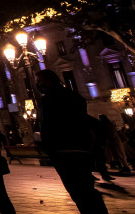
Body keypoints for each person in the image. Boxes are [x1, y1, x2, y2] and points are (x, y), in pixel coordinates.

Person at [36, 69, 109, 213]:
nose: (38, 84)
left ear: (49, 81)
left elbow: (48, 125)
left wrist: (46, 144)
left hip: (62, 151)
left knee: (77, 191)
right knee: (87, 189)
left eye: (40, 81)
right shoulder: (75, 97)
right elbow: (83, 119)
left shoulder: (49, 99)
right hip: (82, 149)